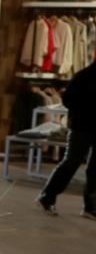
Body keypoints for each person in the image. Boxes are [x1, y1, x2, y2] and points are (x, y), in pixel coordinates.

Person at [38, 50, 96, 218]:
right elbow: (68, 100)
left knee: (95, 169)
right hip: (81, 127)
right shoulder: (83, 76)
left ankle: (90, 207)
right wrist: (85, 110)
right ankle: (48, 196)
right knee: (72, 162)